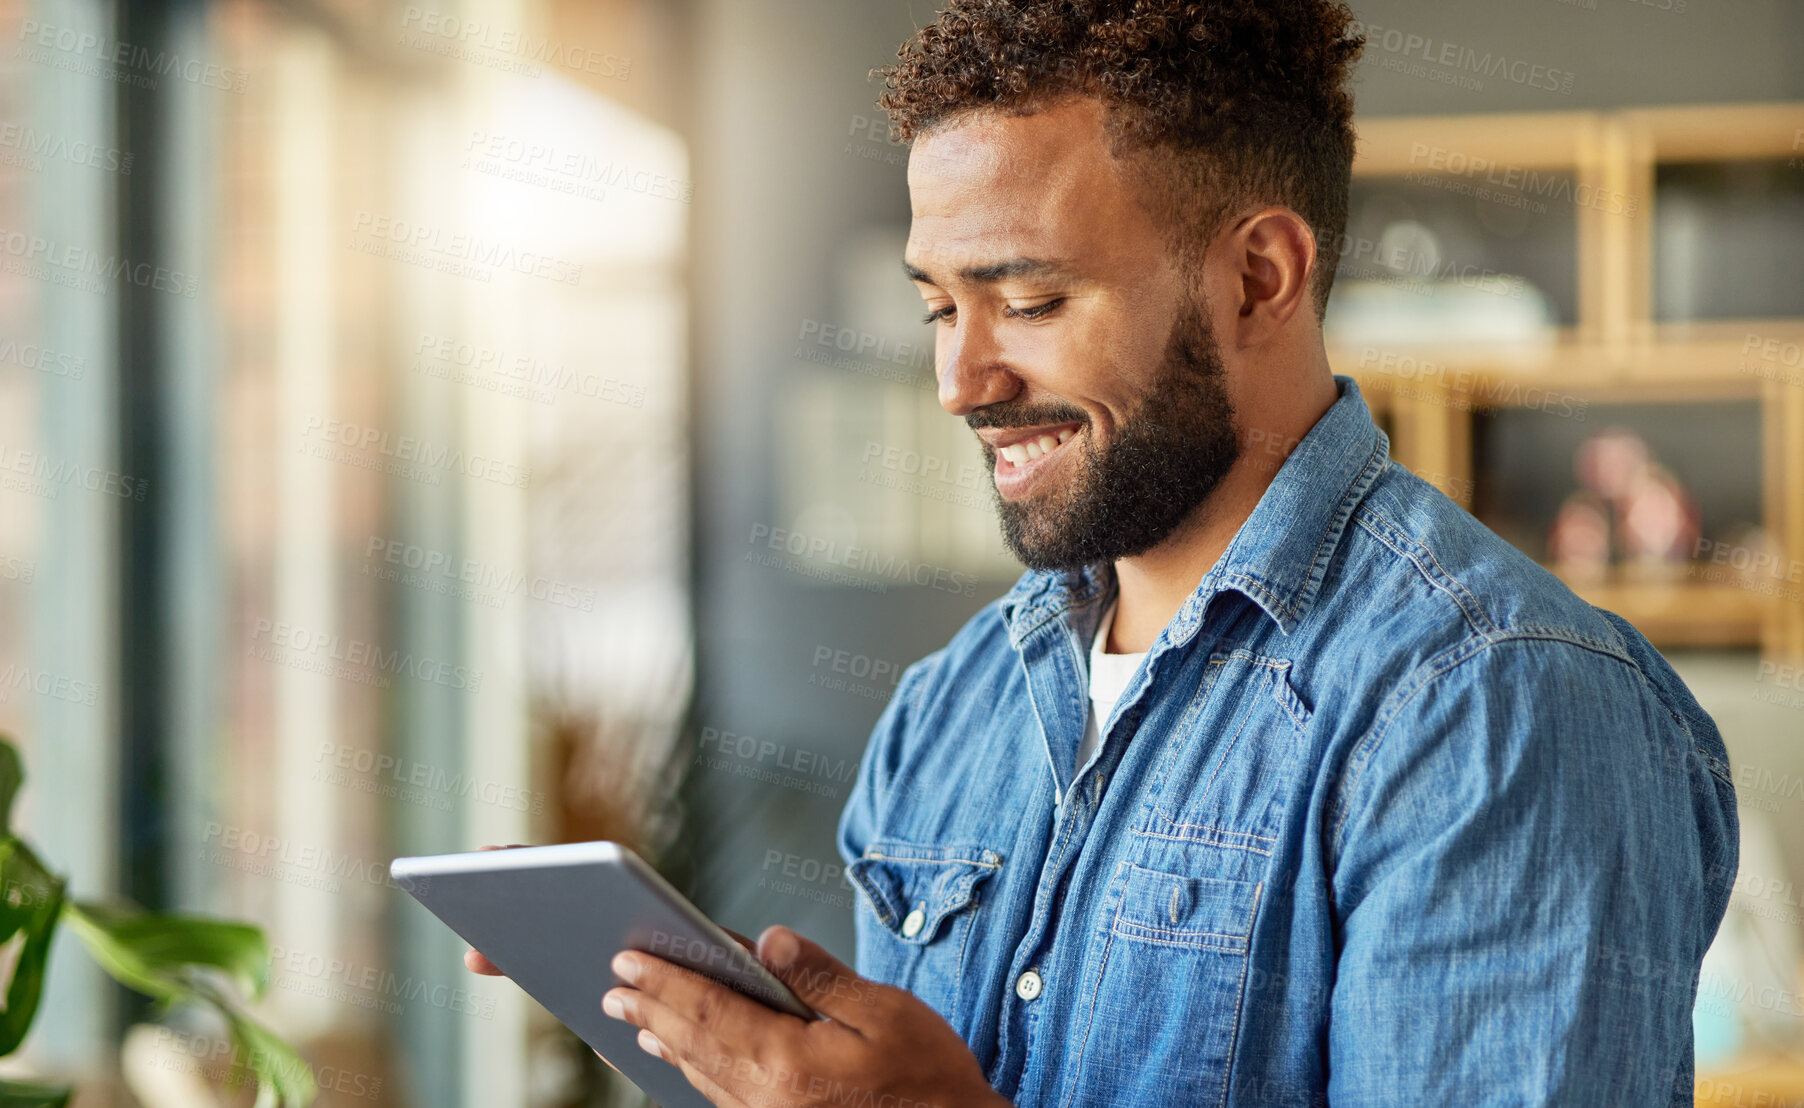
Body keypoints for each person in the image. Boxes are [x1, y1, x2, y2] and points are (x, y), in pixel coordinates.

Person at [474, 2, 1739, 1104]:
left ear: (1256, 277)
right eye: (936, 306)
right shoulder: (948, 711)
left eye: (1027, 301)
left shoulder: (1497, 702)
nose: (960, 380)